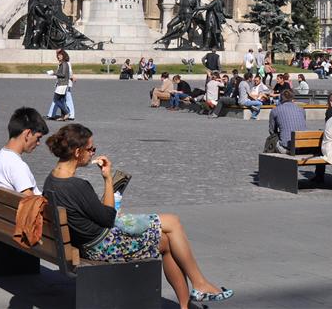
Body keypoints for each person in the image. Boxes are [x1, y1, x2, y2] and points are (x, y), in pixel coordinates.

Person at [42, 124, 233, 308]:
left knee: (166, 240)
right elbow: (108, 218)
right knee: (173, 222)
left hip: (86, 242)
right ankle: (199, 284)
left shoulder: (51, 180)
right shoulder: (77, 186)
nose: (93, 152)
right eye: (91, 149)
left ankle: (186, 303)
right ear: (77, 152)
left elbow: (93, 214)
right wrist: (108, 178)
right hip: (103, 246)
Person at [0, 107, 49, 195]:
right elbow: (29, 203)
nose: (38, 143)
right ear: (28, 134)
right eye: (38, 138)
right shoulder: (17, 166)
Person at [47, 48, 76, 120]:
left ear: (63, 55)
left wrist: (54, 73)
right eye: (57, 54)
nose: (58, 56)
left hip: (64, 84)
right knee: (62, 100)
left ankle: (67, 113)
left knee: (58, 100)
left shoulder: (65, 63)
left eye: (59, 54)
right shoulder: (62, 63)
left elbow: (66, 73)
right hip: (62, 83)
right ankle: (62, 115)